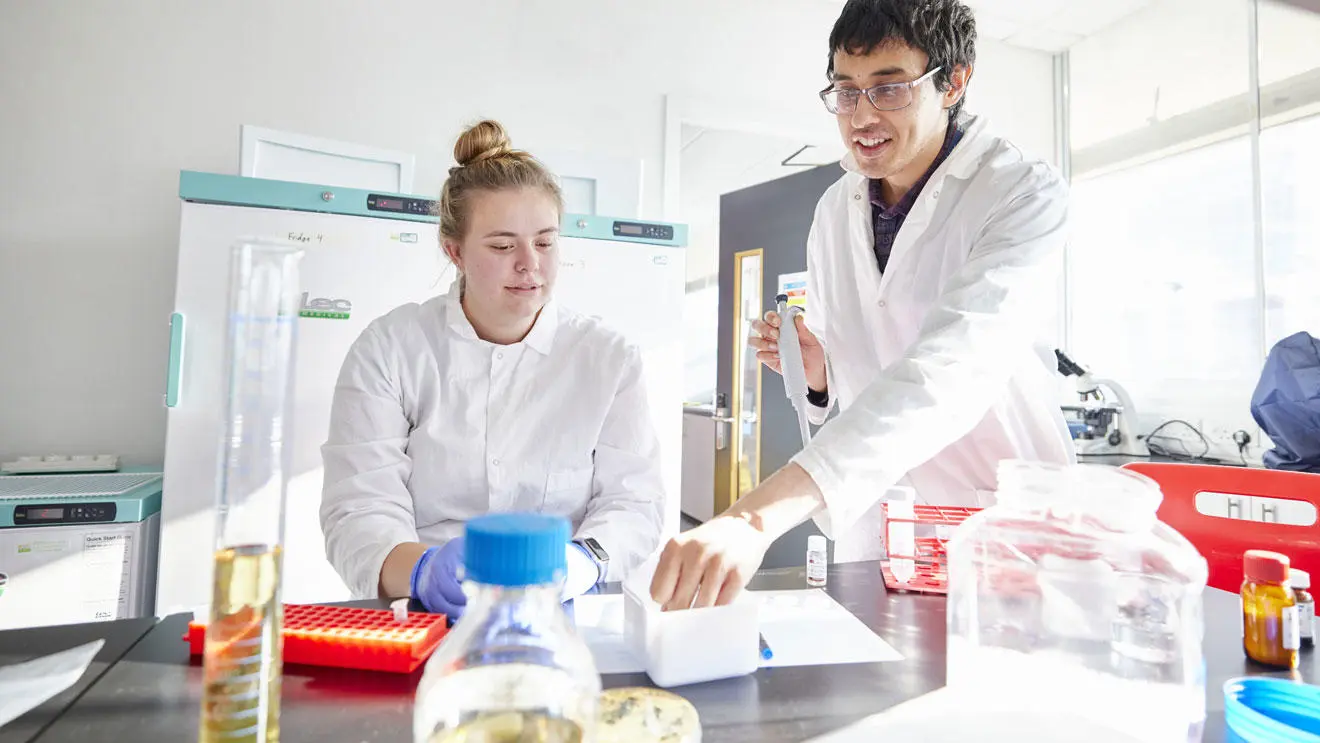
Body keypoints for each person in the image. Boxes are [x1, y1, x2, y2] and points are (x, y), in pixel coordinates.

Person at [651, 0, 1074, 610]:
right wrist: (820, 374)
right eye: (846, 92)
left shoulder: (1020, 191)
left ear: (954, 81)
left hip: (997, 528)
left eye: (889, 89)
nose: (862, 116)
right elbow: (853, 380)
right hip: (879, 535)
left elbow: (949, 372)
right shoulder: (833, 210)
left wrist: (751, 521)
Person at [321, 120, 665, 619]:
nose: (530, 264)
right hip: (424, 615)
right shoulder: (390, 349)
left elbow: (635, 504)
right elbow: (358, 508)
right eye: (503, 246)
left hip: (566, 610)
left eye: (545, 243)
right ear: (454, 251)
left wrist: (577, 563)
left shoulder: (608, 359)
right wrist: (422, 572)